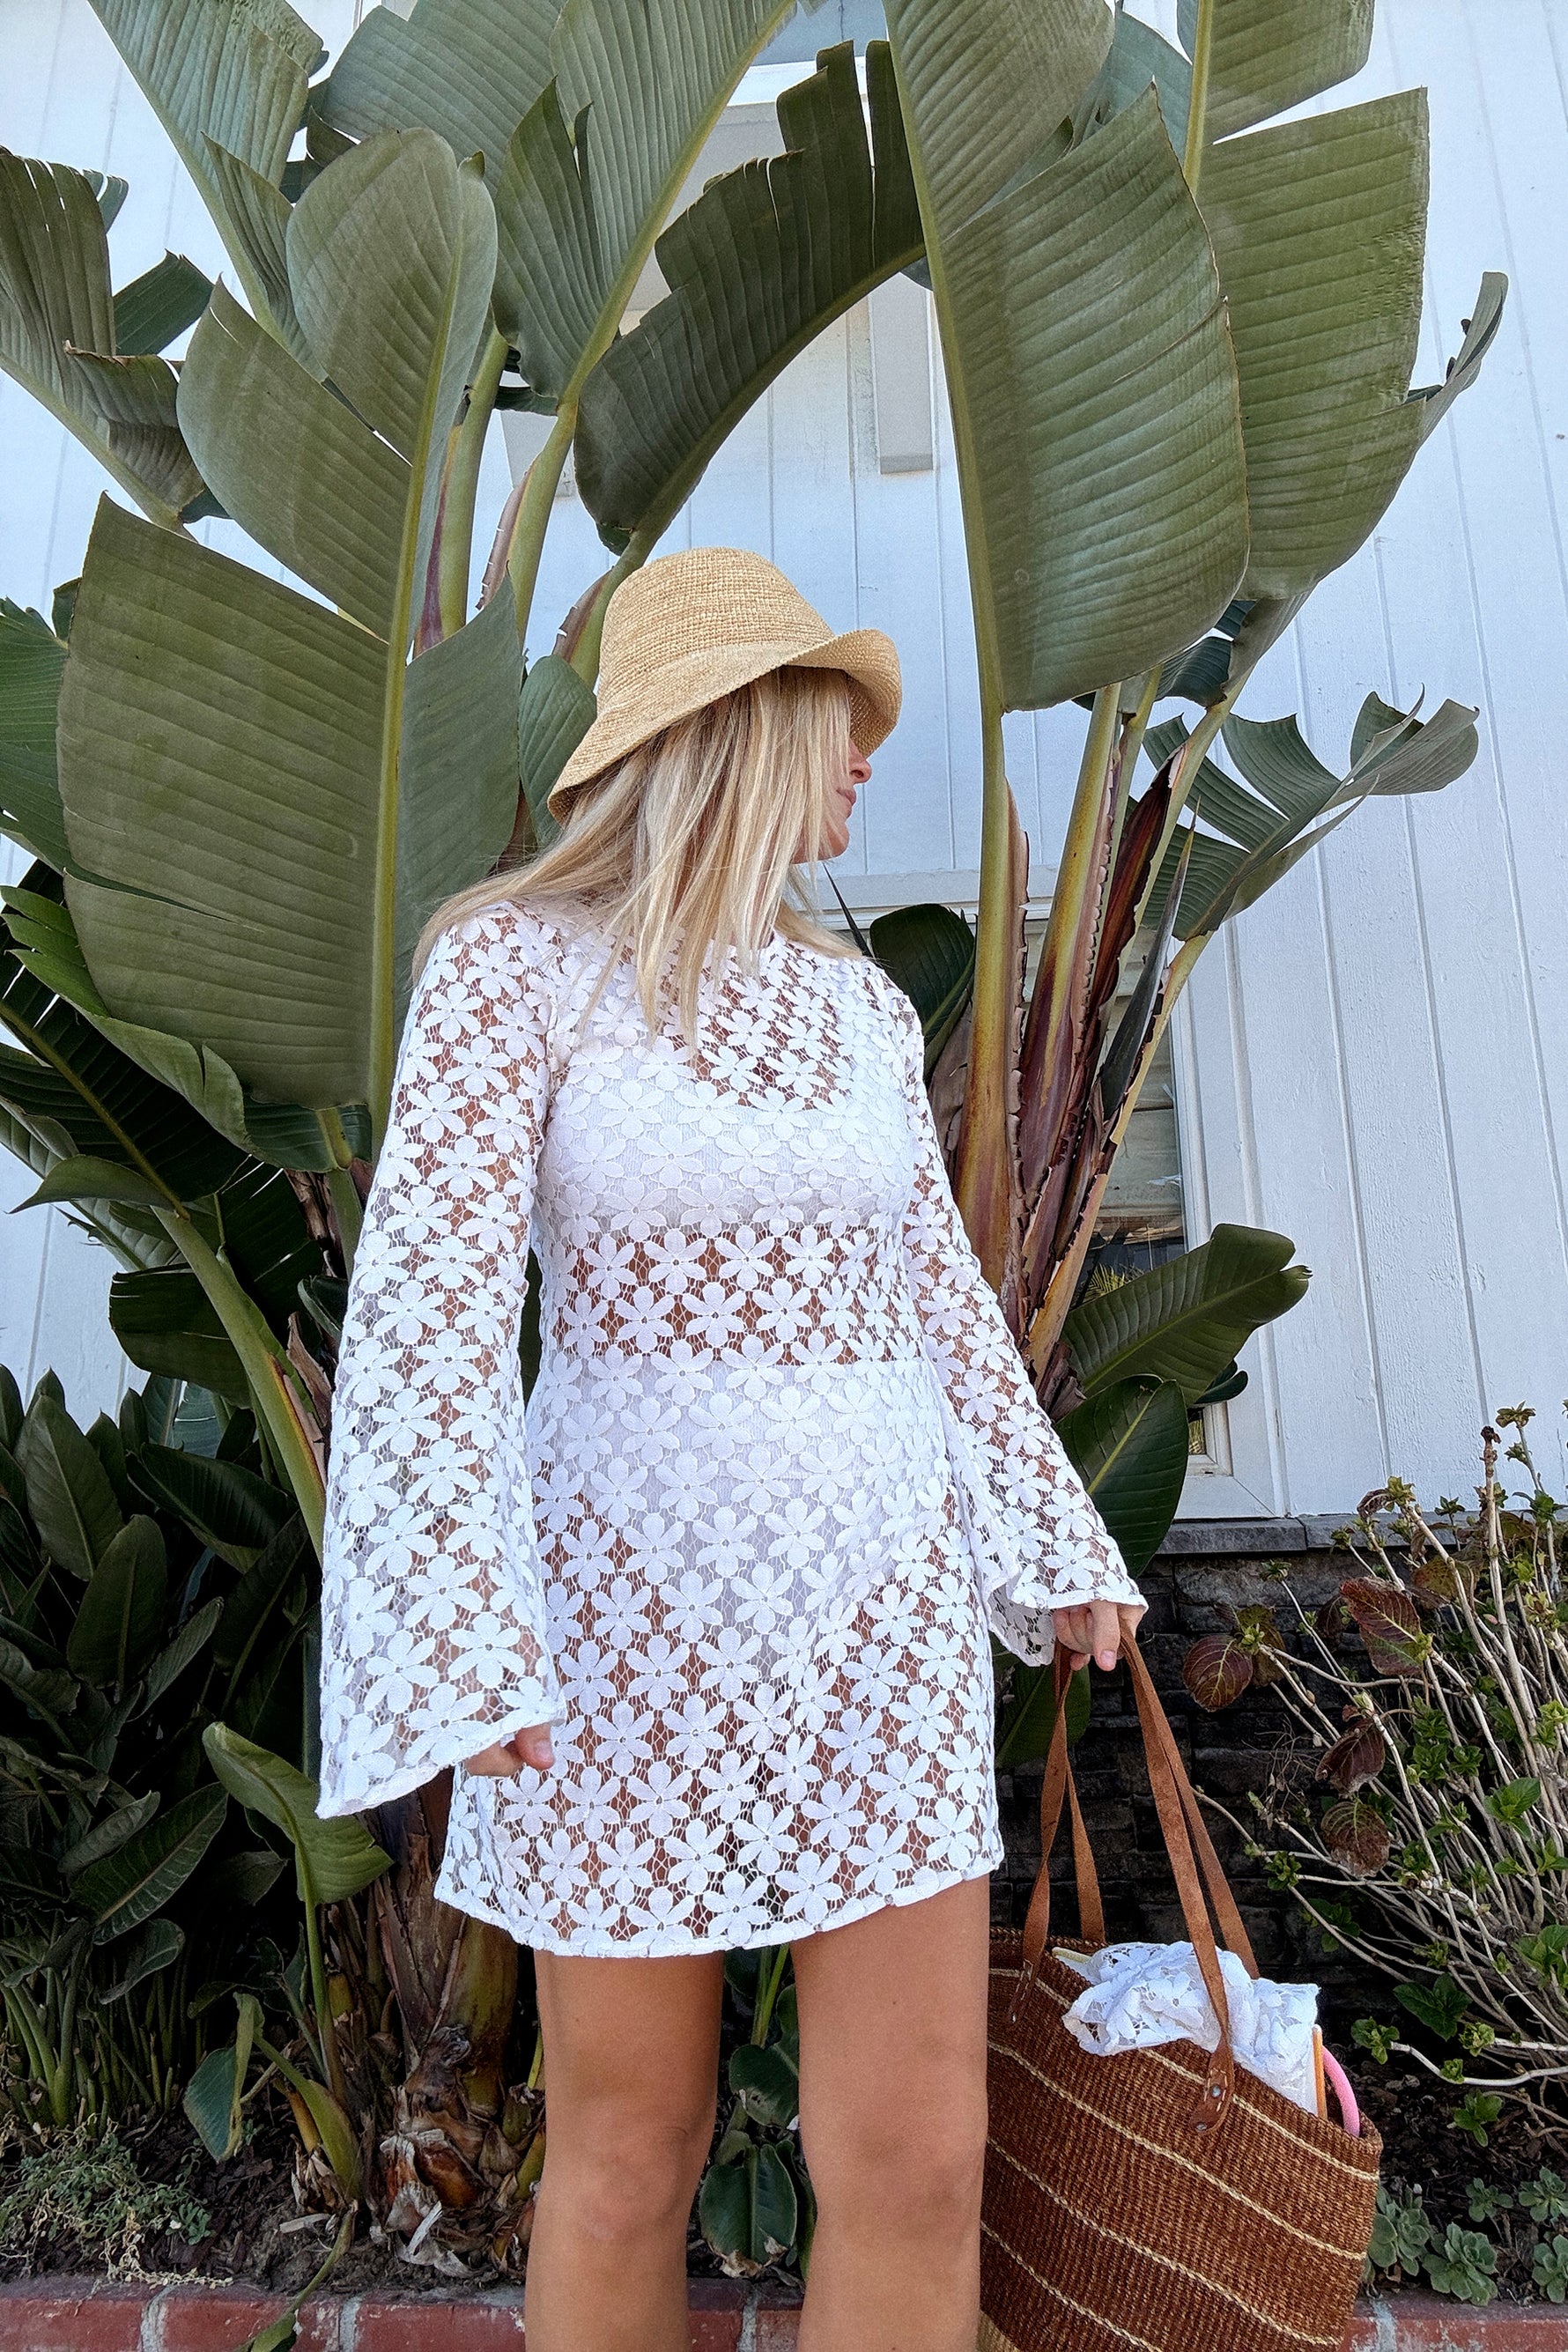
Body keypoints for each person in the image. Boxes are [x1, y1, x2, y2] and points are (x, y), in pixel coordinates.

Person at [315, 546, 1146, 2352]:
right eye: (835, 722)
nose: (861, 761)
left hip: (878, 1628)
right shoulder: (507, 971)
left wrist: (1051, 1537)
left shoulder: (860, 1011)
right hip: (621, 1641)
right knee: (626, 2148)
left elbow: (933, 1302)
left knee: (919, 2160)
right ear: (729, 728)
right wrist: (460, 1634)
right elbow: (427, 1319)